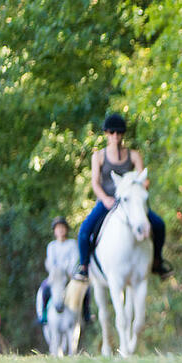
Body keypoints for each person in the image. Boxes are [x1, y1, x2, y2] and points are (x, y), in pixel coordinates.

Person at [73, 113, 172, 280]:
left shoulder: (133, 155)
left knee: (159, 224)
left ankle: (157, 261)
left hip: (130, 201)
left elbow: (143, 178)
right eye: (112, 133)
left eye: (118, 133)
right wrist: (105, 199)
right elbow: (95, 183)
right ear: (106, 134)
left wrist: (140, 184)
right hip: (108, 202)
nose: (115, 136)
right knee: (84, 231)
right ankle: (84, 266)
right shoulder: (98, 156)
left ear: (123, 134)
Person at [38, 216, 89, 324]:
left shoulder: (72, 243)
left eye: (62, 227)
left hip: (69, 274)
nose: (60, 230)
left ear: (66, 229)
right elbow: (51, 262)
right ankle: (44, 314)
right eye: (58, 228)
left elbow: (74, 260)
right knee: (44, 289)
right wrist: (56, 271)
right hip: (56, 276)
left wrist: (69, 270)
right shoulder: (51, 246)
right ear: (54, 231)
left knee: (85, 289)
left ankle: (86, 314)